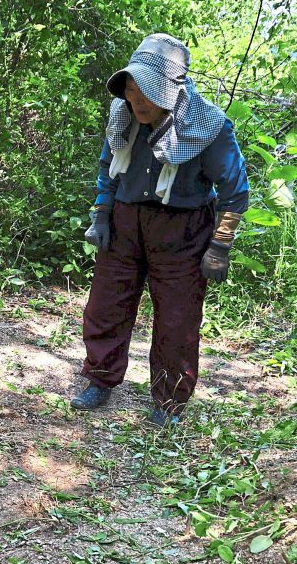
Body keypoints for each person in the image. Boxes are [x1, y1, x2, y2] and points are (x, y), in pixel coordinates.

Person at [72, 33, 249, 426]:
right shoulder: (123, 117)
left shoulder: (209, 127)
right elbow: (108, 170)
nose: (136, 102)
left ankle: (169, 400)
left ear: (170, 90)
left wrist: (220, 245)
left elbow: (235, 192)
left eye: (145, 93)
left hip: (182, 232)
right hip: (124, 224)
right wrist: (101, 215)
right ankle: (99, 379)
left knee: (177, 319)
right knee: (106, 304)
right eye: (131, 92)